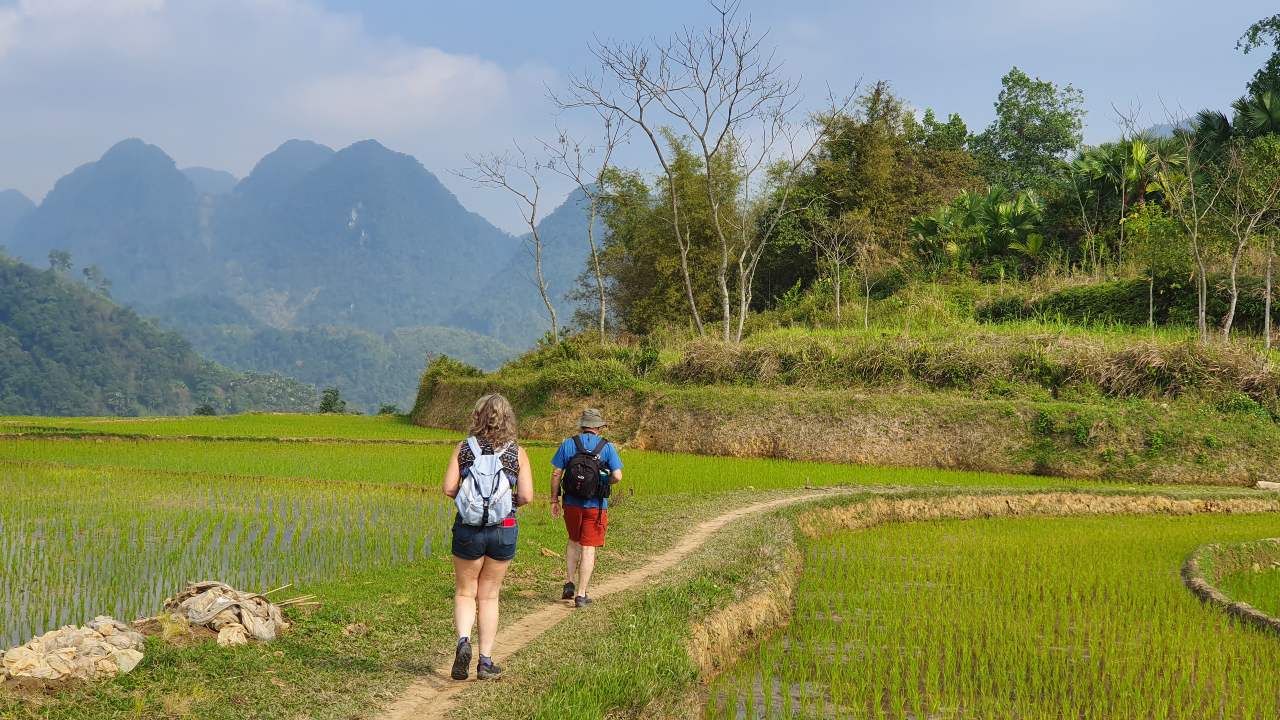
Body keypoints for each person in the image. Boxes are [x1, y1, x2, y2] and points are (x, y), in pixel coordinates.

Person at [442, 394, 533, 681]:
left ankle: (463, 641)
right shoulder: (516, 452)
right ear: (508, 418)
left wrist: (472, 504)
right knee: (490, 594)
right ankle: (485, 661)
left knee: (465, 591)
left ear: (477, 416)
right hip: (503, 528)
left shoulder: (463, 448)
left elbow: (448, 488)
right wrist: (503, 504)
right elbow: (528, 496)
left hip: (468, 528)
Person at [549, 408, 623, 608]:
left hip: (571, 504)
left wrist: (554, 500)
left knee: (573, 541)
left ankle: (569, 582)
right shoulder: (606, 447)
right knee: (588, 548)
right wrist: (602, 481)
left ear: (582, 425)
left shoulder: (568, 444)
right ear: (598, 427)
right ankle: (581, 595)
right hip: (595, 506)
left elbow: (557, 474)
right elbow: (617, 476)